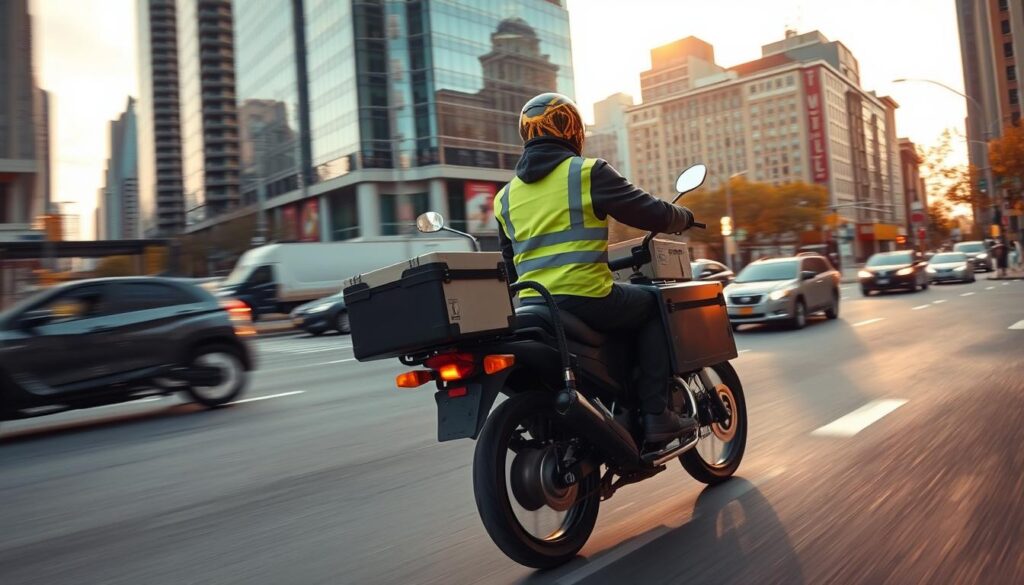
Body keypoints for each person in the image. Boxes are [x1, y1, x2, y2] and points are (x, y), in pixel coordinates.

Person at [494, 93, 698, 443]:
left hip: (534, 305)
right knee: (655, 305)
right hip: (587, 296)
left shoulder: (505, 197)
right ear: (573, 131)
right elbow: (649, 211)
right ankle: (655, 413)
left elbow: (510, 264)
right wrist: (683, 216)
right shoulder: (586, 173)